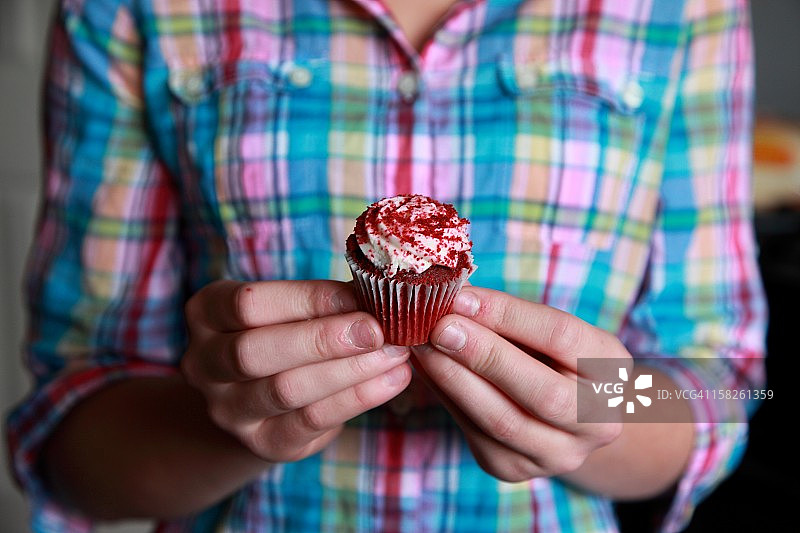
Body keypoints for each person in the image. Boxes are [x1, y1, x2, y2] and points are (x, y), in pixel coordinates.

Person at [6, 0, 766, 531]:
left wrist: (605, 409)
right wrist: (232, 420)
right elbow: (69, 421)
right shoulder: (132, 8)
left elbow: (726, 383)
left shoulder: (684, 10)